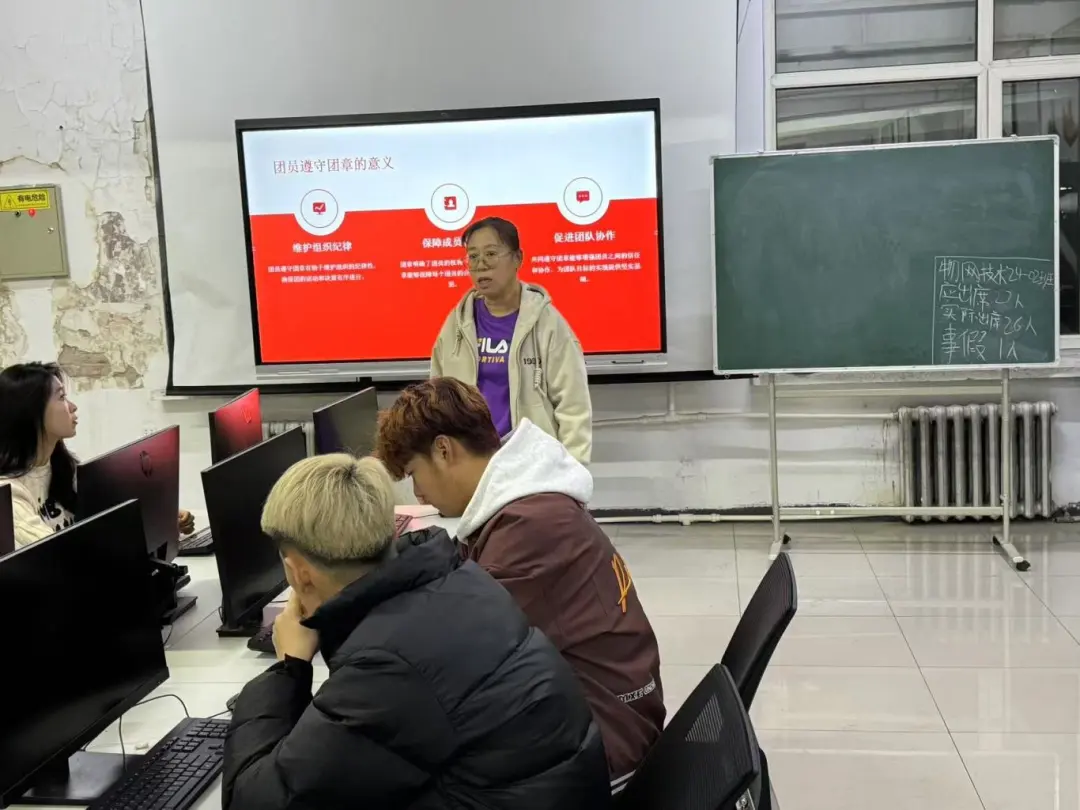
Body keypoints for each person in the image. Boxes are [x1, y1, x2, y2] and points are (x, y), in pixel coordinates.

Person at [222, 453, 610, 810]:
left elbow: (254, 801)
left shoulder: (387, 666)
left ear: (298, 572)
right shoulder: (457, 581)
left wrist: (289, 668)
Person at [376, 377, 665, 792]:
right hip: (597, 713)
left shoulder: (531, 526)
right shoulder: (524, 505)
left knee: (410, 767)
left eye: (414, 475)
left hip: (608, 743)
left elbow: (455, 648)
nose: (419, 494)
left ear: (443, 450)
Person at [431, 216, 593, 464]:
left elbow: (573, 406)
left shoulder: (547, 323)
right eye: (473, 257)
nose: (481, 265)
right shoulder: (458, 323)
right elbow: (436, 399)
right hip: (471, 464)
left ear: (518, 258)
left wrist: (572, 471)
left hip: (531, 464)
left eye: (491, 254)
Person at [0, 362, 196, 548]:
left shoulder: (62, 467)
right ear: (32, 411)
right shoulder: (9, 493)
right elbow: (58, 553)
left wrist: (160, 520)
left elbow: (106, 517)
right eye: (61, 397)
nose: (73, 406)